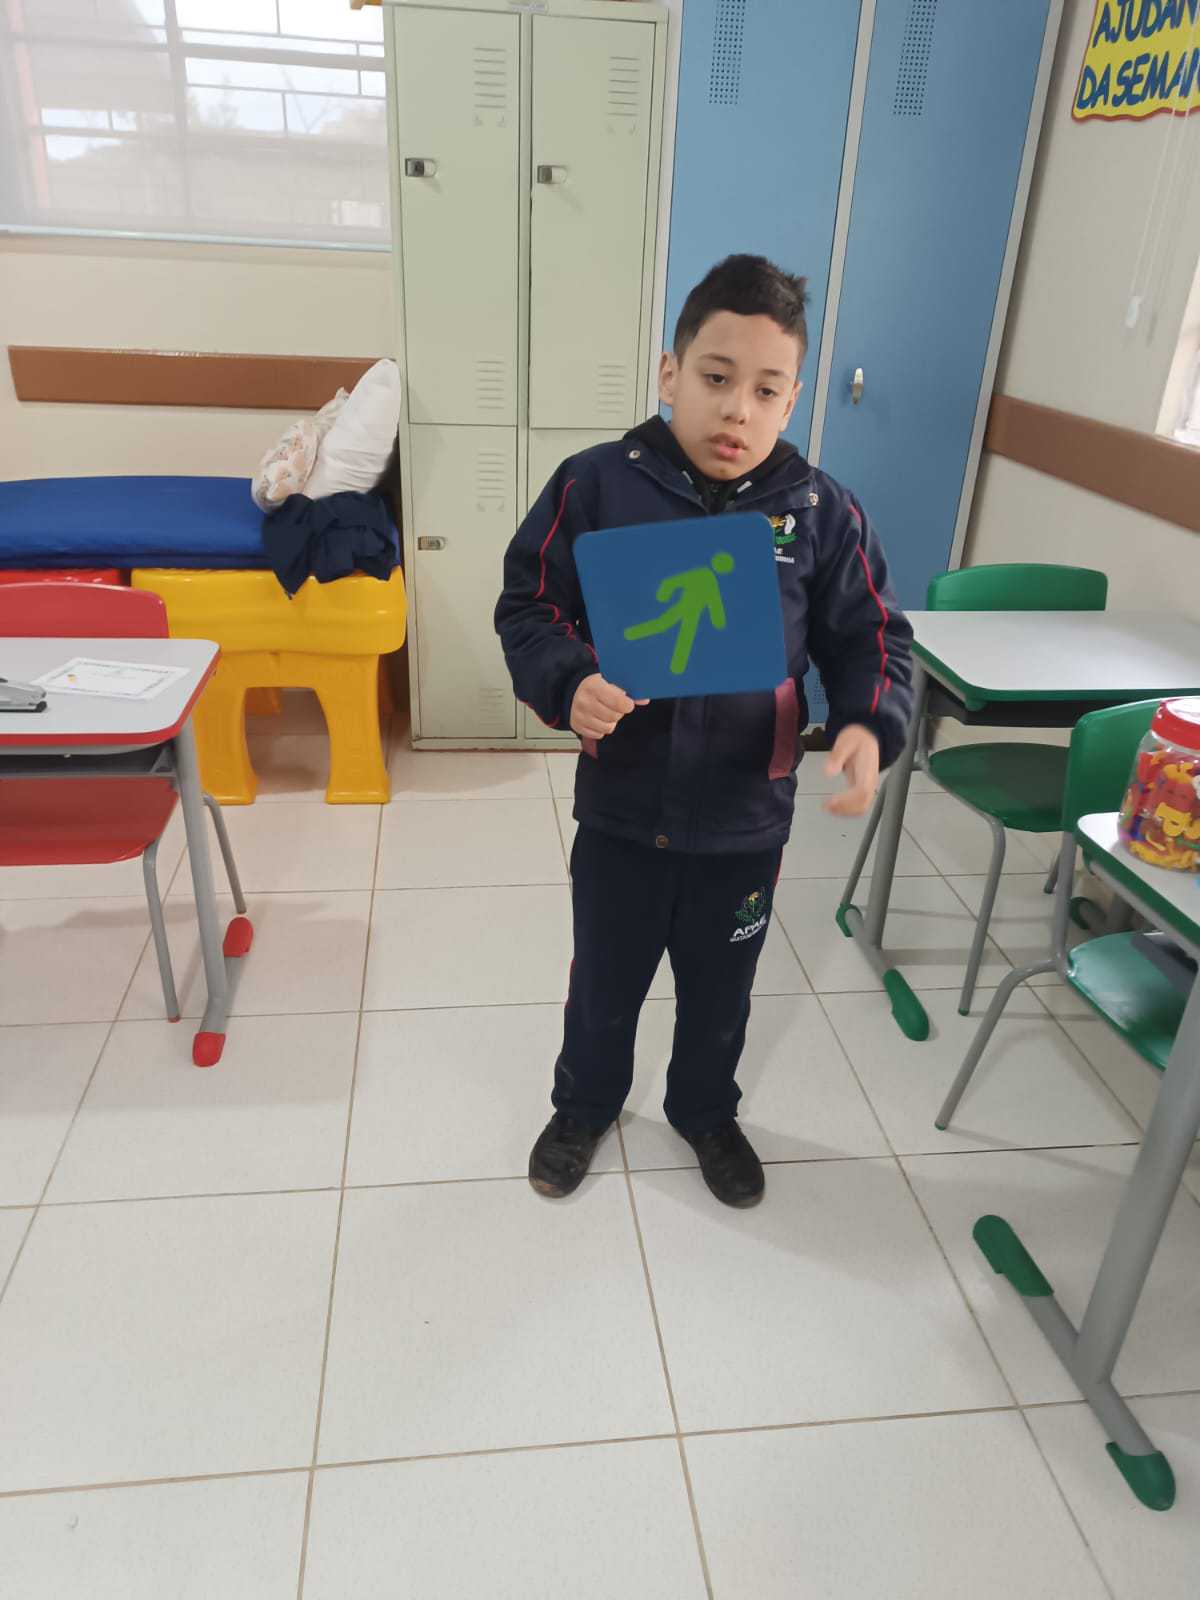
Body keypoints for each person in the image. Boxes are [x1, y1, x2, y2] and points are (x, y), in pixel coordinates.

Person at [494, 254, 913, 1208]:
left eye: (766, 391)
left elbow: (871, 638)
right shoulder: (597, 486)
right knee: (604, 980)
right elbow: (529, 607)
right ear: (669, 372)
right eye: (717, 378)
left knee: (722, 988)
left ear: (793, 399)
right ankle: (585, 1104)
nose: (737, 411)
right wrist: (570, 680)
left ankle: (705, 1111)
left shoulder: (821, 511)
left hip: (744, 819)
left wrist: (867, 725)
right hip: (623, 810)